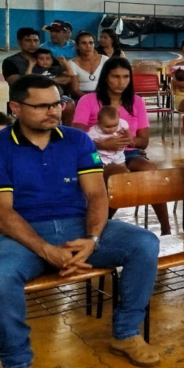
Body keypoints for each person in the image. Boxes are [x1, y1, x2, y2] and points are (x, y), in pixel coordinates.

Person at [0, 75, 160, 368]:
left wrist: (92, 239)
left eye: (57, 103)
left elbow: (96, 194)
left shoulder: (77, 141)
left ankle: (126, 332)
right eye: (42, 105)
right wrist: (47, 251)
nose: (54, 111)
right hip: (23, 233)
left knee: (143, 243)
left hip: (78, 227)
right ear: (15, 108)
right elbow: (1, 214)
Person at [72, 57, 172, 235]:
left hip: (128, 152)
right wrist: (102, 143)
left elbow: (144, 141)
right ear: (105, 78)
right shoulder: (88, 100)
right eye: (115, 77)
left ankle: (166, 229)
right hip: (97, 155)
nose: (121, 82)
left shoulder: (136, 101)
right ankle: (99, 228)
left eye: (125, 77)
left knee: (150, 170)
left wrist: (130, 141)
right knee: (119, 177)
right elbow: (75, 138)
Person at [67, 31, 109, 97]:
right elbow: (75, 89)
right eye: (84, 43)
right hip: (81, 96)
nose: (88, 46)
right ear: (77, 46)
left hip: (103, 94)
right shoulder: (72, 64)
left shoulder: (105, 60)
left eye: (91, 43)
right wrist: (89, 99)